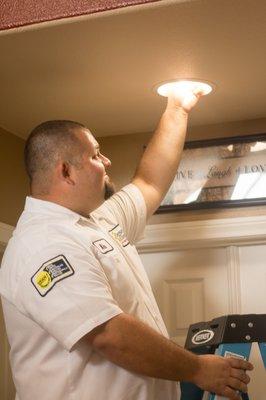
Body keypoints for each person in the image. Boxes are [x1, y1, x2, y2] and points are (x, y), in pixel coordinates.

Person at [0, 89, 252, 400]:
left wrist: (178, 107)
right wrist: (198, 368)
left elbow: (149, 181)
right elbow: (110, 334)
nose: (106, 161)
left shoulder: (98, 222)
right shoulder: (42, 244)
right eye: (95, 154)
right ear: (65, 171)